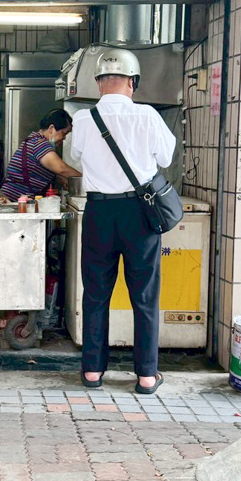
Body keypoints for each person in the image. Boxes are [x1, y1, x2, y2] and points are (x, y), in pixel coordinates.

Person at [70, 48, 177, 394]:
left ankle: (92, 372)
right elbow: (166, 156)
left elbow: (75, 155)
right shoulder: (148, 116)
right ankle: (146, 376)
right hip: (139, 214)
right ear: (133, 83)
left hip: (99, 212)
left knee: (96, 292)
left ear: (99, 84)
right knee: (144, 295)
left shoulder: (84, 120)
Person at [0, 108, 82, 202]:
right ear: (51, 129)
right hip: (15, 200)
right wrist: (86, 180)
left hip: (15, 198)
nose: (64, 138)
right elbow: (62, 169)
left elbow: (36, 171)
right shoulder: (40, 144)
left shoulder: (33, 139)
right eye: (63, 133)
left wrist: (61, 180)